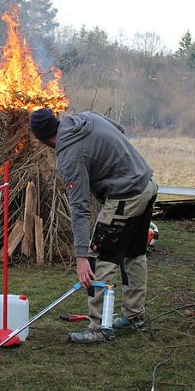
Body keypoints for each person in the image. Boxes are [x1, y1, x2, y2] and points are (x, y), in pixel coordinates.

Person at [29, 107, 158, 344]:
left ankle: (99, 327)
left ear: (41, 138)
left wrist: (80, 256)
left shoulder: (68, 156)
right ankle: (134, 316)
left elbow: (80, 208)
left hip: (126, 195)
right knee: (134, 253)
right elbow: (119, 129)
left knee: (100, 258)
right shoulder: (84, 118)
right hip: (147, 183)